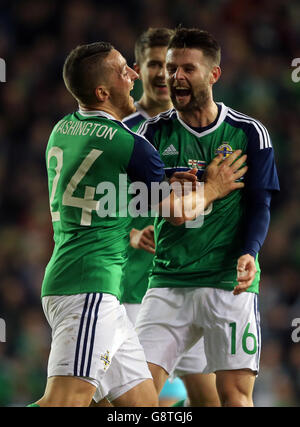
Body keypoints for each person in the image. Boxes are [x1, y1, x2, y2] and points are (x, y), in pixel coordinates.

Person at [28, 41, 246, 407]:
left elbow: (109, 187)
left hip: (87, 286)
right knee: (63, 403)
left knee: (145, 407)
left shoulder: (64, 128)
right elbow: (177, 212)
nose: (133, 76)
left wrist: (167, 176)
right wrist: (213, 188)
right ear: (102, 92)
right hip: (88, 288)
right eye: (122, 71)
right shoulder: (130, 144)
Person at [132, 27, 280, 407]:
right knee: (135, 396)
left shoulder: (249, 133)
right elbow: (154, 204)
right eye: (170, 68)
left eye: (187, 69)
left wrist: (250, 251)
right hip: (169, 280)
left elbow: (260, 204)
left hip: (227, 282)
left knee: (233, 397)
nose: (175, 77)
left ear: (213, 74)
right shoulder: (151, 133)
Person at [122, 27, 220, 407]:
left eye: (173, 67)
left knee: (207, 398)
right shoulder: (124, 134)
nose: (166, 75)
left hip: (192, 282)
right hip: (134, 288)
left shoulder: (209, 128)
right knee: (137, 401)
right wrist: (129, 233)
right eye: (155, 65)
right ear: (139, 69)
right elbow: (100, 205)